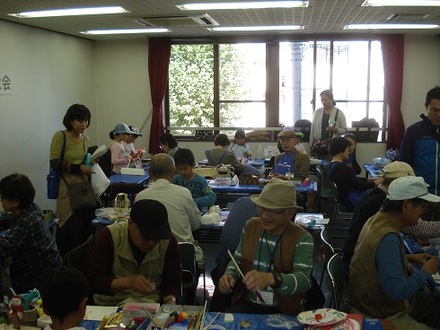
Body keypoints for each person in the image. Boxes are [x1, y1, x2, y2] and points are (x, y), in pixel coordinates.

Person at [349, 176, 440, 329]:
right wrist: (426, 271)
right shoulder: (389, 237)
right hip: (380, 312)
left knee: (433, 304)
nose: (423, 211)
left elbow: (374, 260)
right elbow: (397, 292)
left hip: (368, 301)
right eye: (422, 206)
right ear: (406, 205)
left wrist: (410, 257)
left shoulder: (376, 220)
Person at [217, 178, 314, 315]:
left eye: (272, 211)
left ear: (290, 213)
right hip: (247, 303)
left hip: (282, 309)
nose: (264, 215)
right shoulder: (251, 226)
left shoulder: (302, 238)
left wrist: (273, 279)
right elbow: (237, 260)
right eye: (261, 208)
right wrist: (229, 275)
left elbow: (304, 281)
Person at [88, 199, 181, 306]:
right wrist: (128, 282)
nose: (151, 243)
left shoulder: (167, 242)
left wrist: (170, 302)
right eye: (145, 237)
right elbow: (94, 281)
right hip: (110, 305)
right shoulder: (111, 236)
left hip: (149, 304)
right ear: (131, 224)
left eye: (156, 239)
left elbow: (172, 283)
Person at [134, 154, 205, 281]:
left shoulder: (140, 196)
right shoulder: (183, 193)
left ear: (150, 172)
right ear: (173, 171)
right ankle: (189, 297)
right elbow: (196, 225)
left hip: (150, 261)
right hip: (183, 259)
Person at [342, 161, 415, 266]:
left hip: (353, 252)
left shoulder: (371, 193)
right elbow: (415, 228)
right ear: (398, 183)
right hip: (361, 261)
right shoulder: (383, 202)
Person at [0, 174, 62, 293]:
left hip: (38, 281)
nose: (1, 200)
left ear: (16, 201)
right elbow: (7, 220)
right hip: (51, 267)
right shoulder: (31, 208)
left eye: (3, 197)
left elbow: (4, 248)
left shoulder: (25, 220)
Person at [49, 104, 96, 257]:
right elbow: (54, 162)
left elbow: (83, 161)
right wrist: (78, 168)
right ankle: (67, 264)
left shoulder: (85, 139)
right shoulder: (60, 136)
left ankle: (83, 263)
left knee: (85, 226)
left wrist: (91, 163)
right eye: (79, 121)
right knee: (70, 227)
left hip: (82, 186)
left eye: (86, 121)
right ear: (70, 120)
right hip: (67, 187)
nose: (84, 125)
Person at [400, 86, 440, 195]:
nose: (438, 115)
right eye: (434, 110)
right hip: (420, 195)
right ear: (426, 107)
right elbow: (404, 165)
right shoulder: (413, 131)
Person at [328, 137, 382, 211]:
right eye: (347, 150)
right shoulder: (341, 168)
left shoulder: (333, 164)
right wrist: (378, 182)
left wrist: (371, 181)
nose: (349, 152)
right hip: (350, 202)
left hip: (344, 198)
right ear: (341, 151)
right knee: (380, 196)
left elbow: (353, 180)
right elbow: (359, 186)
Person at [310, 90, 347, 159]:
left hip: (333, 146)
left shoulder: (339, 113)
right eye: (322, 100)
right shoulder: (317, 112)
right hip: (319, 146)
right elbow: (312, 130)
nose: (323, 102)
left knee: (331, 166)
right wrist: (311, 145)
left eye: (326, 100)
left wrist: (335, 130)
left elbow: (344, 130)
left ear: (331, 99)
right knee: (319, 165)